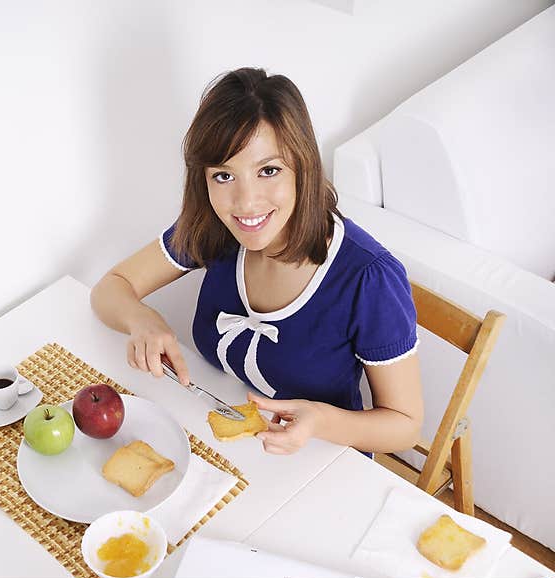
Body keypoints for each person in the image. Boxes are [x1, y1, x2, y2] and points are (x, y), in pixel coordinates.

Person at [89, 67, 423, 456]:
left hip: (320, 457)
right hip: (224, 441)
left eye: (269, 171)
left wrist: (319, 420)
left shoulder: (370, 280)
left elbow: (405, 426)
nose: (246, 203)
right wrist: (141, 320)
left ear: (304, 167)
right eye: (224, 176)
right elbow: (110, 289)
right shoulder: (213, 228)